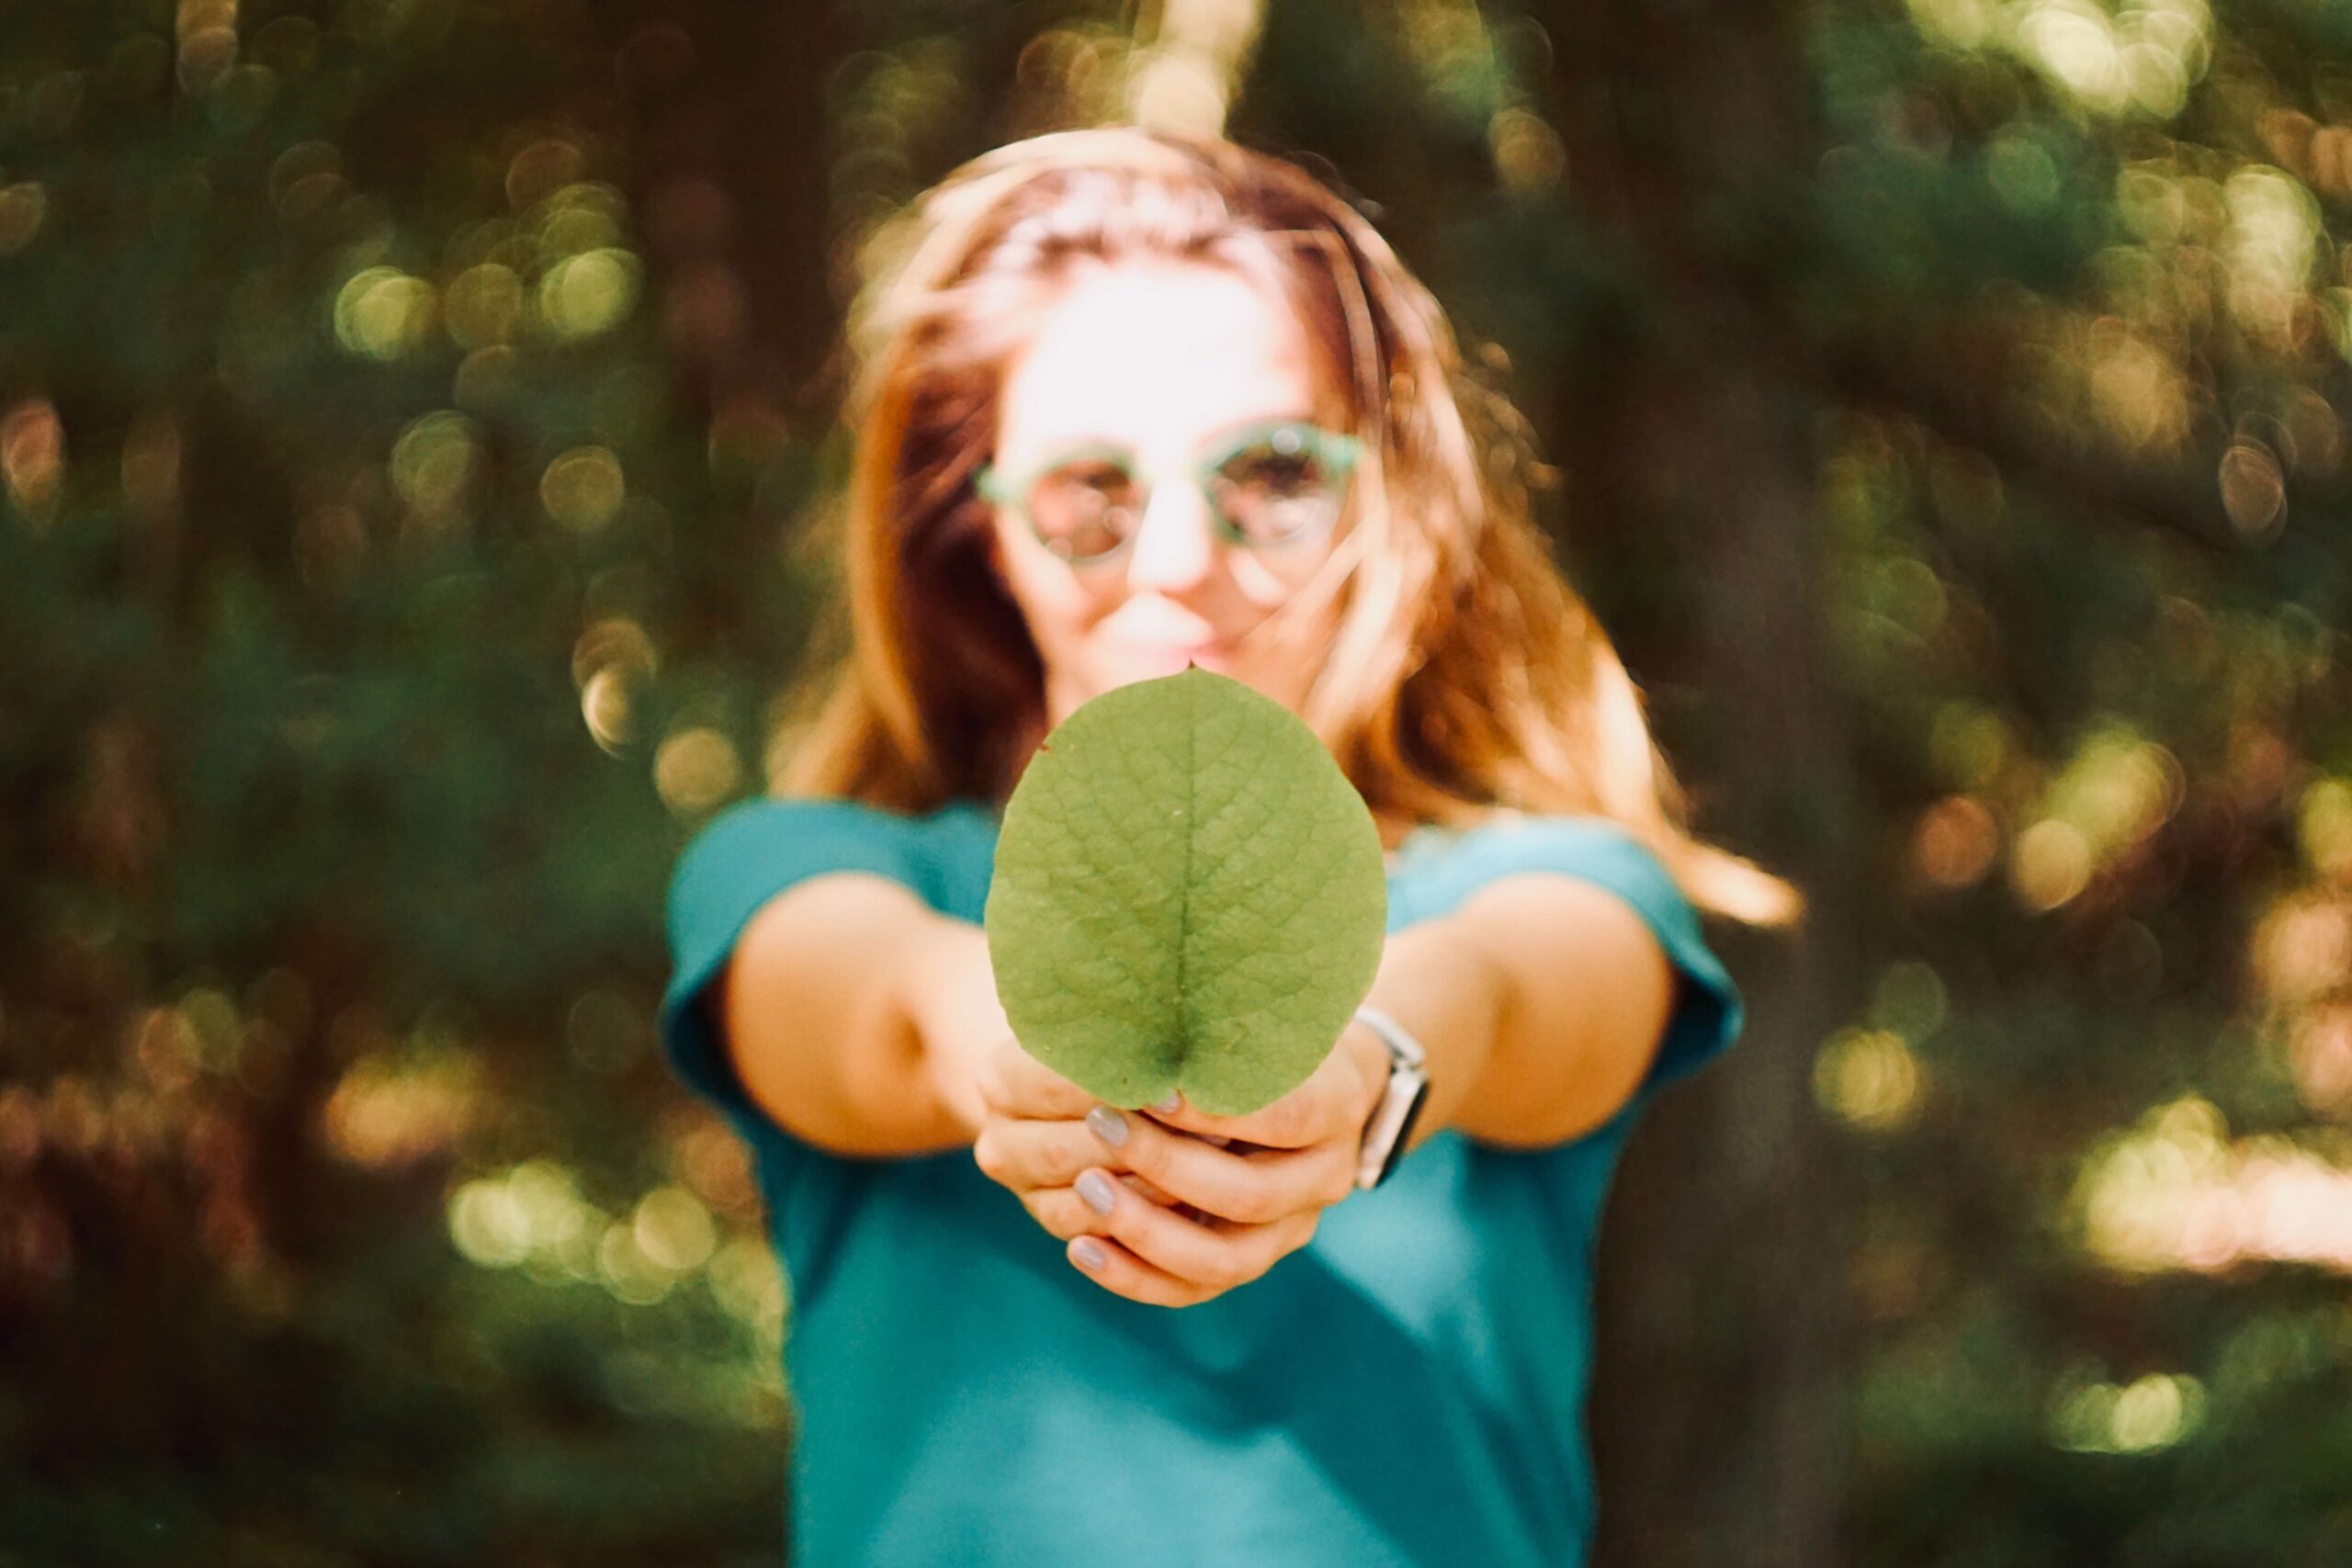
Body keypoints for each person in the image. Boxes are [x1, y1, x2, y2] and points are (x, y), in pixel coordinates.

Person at [658, 125, 1802, 1567]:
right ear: (979, 529)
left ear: (1382, 494)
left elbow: (1510, 995)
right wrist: (1017, 1050)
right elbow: (873, 1007)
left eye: (1271, 471)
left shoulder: (1552, 883)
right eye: (1092, 488)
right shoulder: (799, 871)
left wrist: (1363, 1068)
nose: (1181, 557)